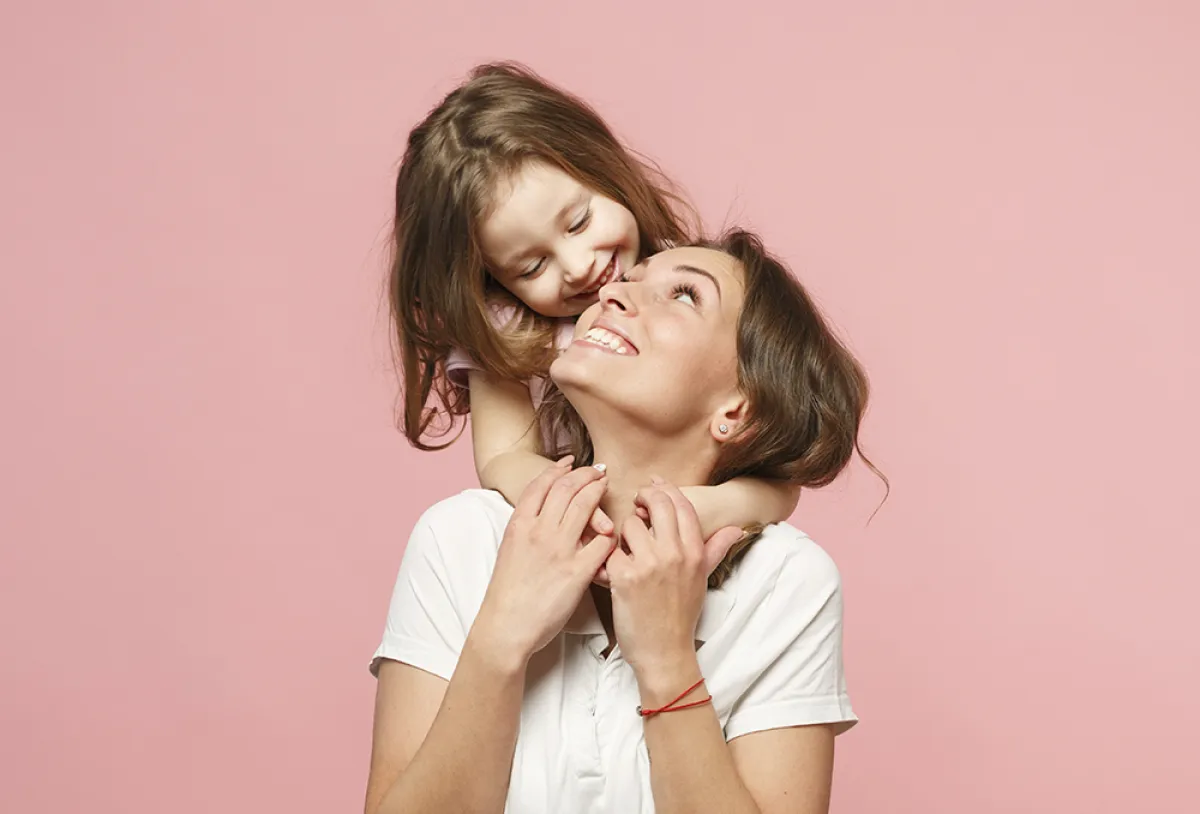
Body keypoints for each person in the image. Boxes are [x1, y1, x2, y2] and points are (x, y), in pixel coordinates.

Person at [367, 232, 877, 813]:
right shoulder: (460, 538)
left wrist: (666, 659)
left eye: (685, 295)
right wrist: (502, 638)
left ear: (737, 410)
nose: (610, 295)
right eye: (628, 281)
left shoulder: (785, 581)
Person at [389, 62, 799, 543]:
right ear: (493, 281)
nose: (579, 266)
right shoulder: (507, 333)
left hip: (682, 541)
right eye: (532, 267)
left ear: (604, 172)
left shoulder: (677, 283)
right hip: (575, 544)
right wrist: (581, 507)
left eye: (579, 222)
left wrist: (717, 505)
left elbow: (779, 482)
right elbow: (503, 458)